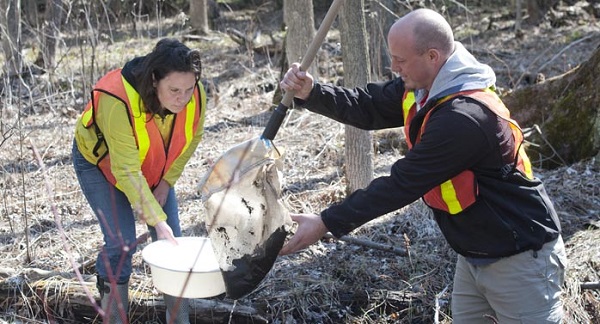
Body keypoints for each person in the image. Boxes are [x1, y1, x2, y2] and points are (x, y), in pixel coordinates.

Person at [279, 8, 566, 324]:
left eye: (400, 60)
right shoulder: (423, 88)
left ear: (432, 56)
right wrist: (312, 92)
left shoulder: (464, 118)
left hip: (521, 259)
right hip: (475, 255)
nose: (393, 67)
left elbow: (402, 183)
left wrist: (325, 221)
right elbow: (368, 106)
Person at [72, 38, 206, 324]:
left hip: (150, 166)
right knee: (122, 242)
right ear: (155, 79)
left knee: (172, 243)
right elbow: (125, 170)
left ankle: (178, 319)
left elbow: (192, 138)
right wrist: (158, 221)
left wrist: (167, 182)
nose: (182, 98)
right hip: (101, 164)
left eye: (188, 89)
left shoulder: (193, 92)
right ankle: (114, 317)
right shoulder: (117, 98)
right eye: (174, 90)